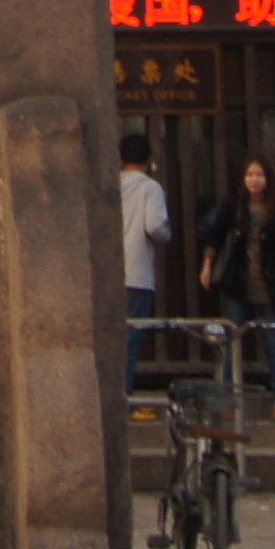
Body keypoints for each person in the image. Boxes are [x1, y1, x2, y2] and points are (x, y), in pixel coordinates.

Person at [198, 152, 275, 406]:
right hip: (239, 282)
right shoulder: (233, 206)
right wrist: (207, 265)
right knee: (231, 340)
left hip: (269, 284)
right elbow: (215, 236)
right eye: (250, 174)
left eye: (259, 175)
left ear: (268, 179)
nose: (254, 180)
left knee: (274, 342)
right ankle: (226, 397)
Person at [115, 127, 171, 411]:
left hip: (110, 272)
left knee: (110, 336)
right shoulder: (150, 188)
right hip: (137, 273)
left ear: (121, 159)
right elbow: (155, 226)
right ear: (148, 160)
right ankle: (124, 395)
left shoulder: (110, 184)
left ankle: (110, 395)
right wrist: (167, 235)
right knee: (131, 337)